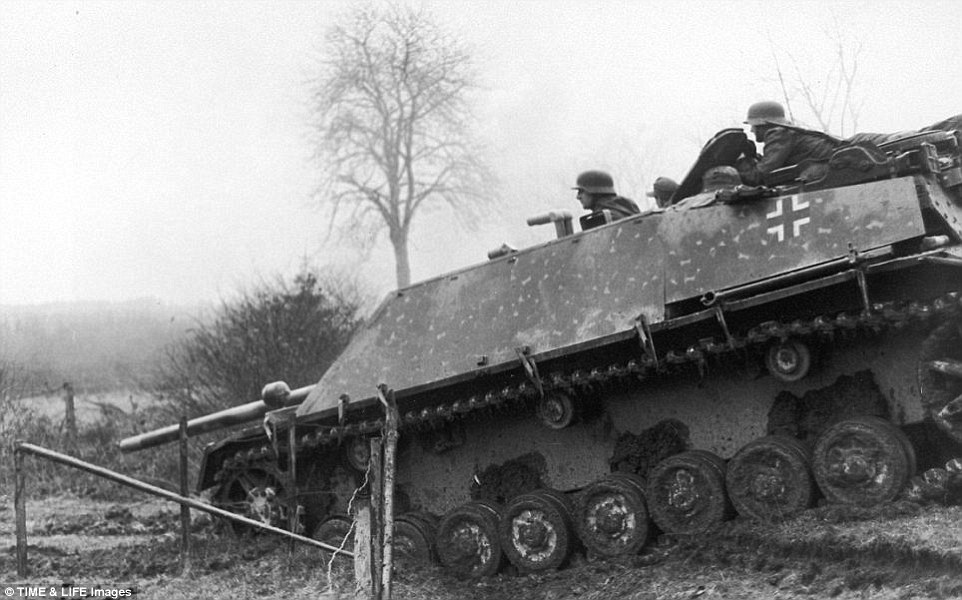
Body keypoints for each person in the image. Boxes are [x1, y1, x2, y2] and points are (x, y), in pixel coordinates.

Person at [735, 101, 841, 186]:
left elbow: (762, 174)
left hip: (829, 172)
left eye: (754, 125)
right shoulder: (789, 133)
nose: (752, 130)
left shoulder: (779, 134)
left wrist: (741, 163)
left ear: (764, 125)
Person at [572, 170, 640, 222]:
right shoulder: (627, 209)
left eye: (581, 191)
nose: (578, 197)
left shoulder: (604, 218)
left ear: (595, 192)